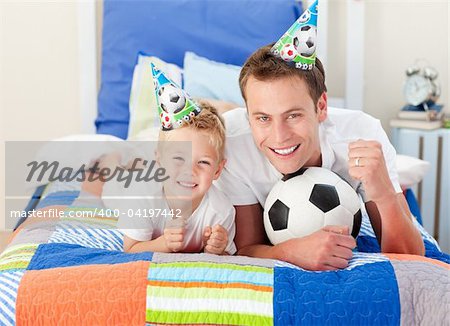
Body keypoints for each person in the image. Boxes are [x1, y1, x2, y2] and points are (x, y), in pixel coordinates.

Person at [216, 1, 424, 269]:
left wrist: (384, 193)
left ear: (321, 107)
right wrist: (289, 251)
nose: (279, 137)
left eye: (293, 115)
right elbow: (246, 248)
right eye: (263, 118)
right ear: (248, 116)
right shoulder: (233, 142)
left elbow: (412, 259)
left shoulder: (361, 134)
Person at [101, 65, 236, 255]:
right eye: (179, 159)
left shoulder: (221, 210)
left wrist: (218, 249)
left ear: (218, 170)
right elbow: (130, 249)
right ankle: (113, 161)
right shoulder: (142, 198)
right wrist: (163, 244)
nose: (190, 171)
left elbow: (228, 256)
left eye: (203, 162)